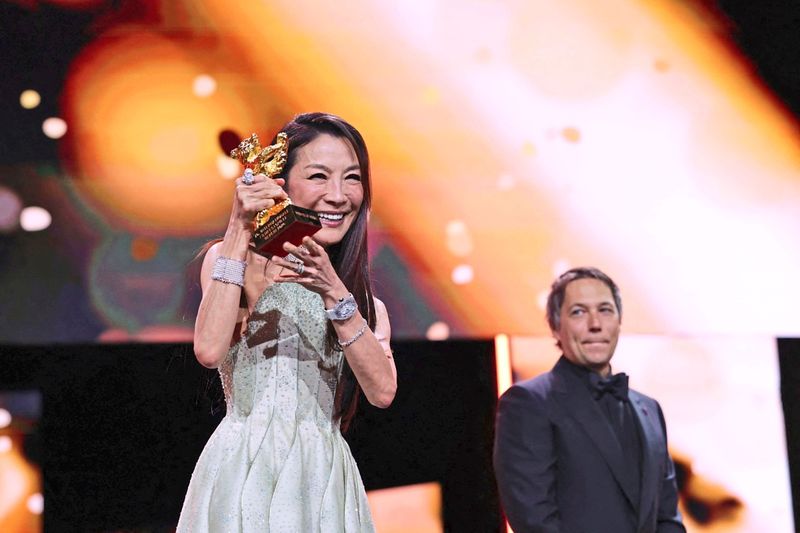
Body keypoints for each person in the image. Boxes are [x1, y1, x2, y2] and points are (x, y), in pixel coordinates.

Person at [177, 112, 397, 532]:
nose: (337, 195)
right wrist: (239, 229)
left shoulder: (362, 303)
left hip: (322, 479)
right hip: (244, 467)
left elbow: (383, 392)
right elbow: (208, 351)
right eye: (318, 176)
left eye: (351, 178)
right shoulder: (233, 265)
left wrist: (335, 293)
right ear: (281, 183)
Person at [493, 267, 685, 533]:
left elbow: (667, 516)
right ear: (556, 328)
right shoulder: (529, 403)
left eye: (605, 310)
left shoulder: (649, 409)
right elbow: (534, 521)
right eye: (579, 312)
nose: (595, 324)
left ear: (619, 321)